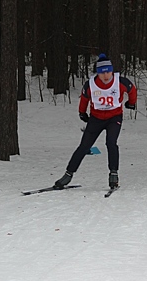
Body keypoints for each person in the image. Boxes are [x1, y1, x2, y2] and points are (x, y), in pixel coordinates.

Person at [54, 54, 137, 189]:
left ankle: (113, 174)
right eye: (102, 73)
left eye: (108, 72)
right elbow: (84, 99)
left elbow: (132, 90)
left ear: (112, 71)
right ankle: (68, 174)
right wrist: (82, 112)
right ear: (98, 73)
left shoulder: (120, 81)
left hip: (114, 117)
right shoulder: (91, 84)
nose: (106, 76)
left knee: (111, 143)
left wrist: (131, 103)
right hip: (96, 118)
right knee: (84, 146)